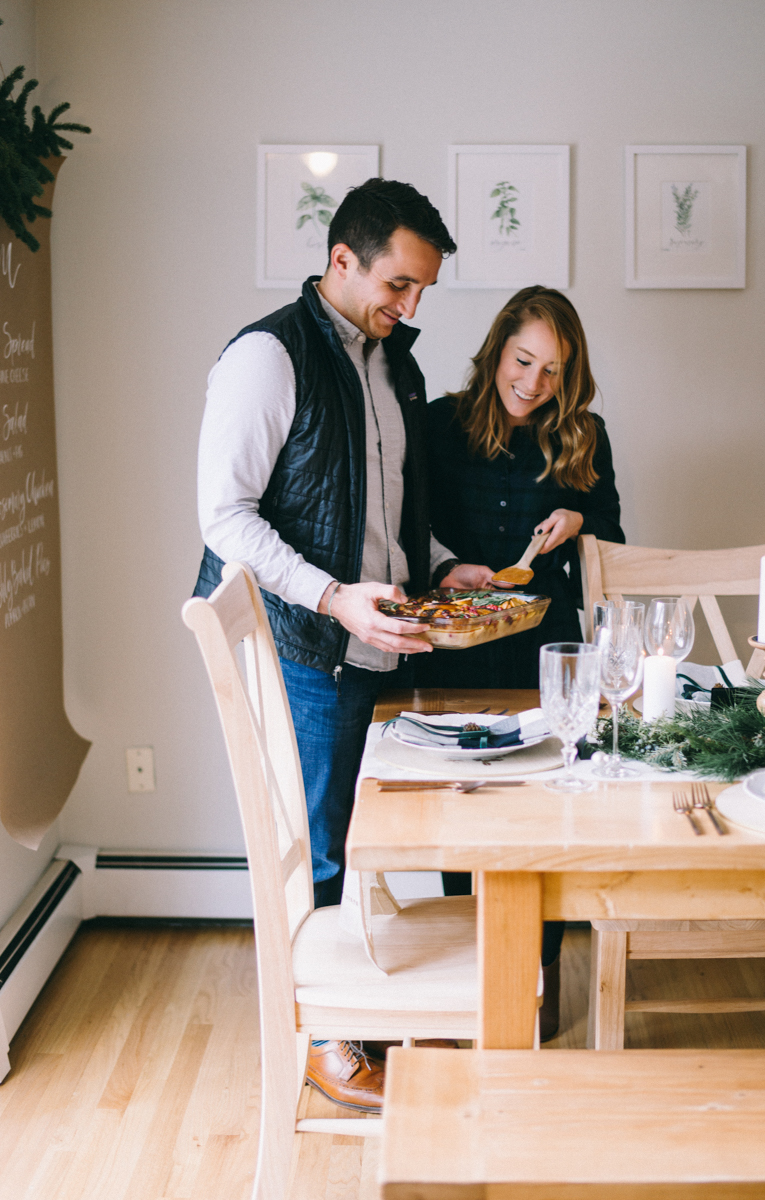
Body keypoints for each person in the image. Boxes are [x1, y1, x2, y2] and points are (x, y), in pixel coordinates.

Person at [193, 178, 492, 1110]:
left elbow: (389, 501)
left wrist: (440, 563)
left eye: (422, 293)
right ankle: (326, 1042)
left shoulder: (393, 362)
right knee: (320, 846)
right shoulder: (266, 358)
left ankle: (371, 1008)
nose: (410, 308)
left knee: (372, 835)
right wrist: (331, 597)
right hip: (298, 644)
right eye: (399, 285)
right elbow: (223, 518)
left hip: (375, 632)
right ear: (341, 262)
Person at [416, 285, 625, 1039]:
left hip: (548, 648)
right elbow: (412, 528)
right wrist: (446, 570)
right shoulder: (438, 423)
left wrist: (577, 519)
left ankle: (534, 984)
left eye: (552, 370)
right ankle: (473, 978)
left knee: (546, 807)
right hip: (458, 644)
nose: (533, 383)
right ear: (498, 349)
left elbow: (613, 528)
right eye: (523, 360)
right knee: (463, 800)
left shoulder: (585, 433)